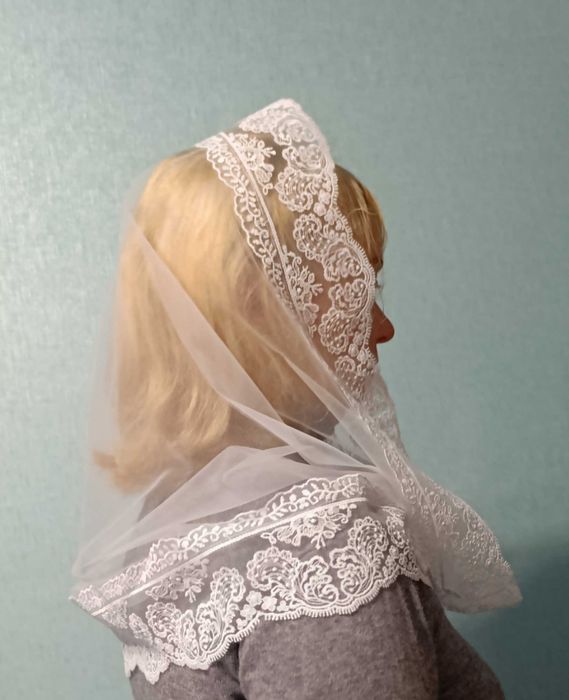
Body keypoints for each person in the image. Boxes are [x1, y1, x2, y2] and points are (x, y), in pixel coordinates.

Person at [69, 98, 522, 699]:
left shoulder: (176, 524)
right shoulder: (320, 541)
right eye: (357, 284)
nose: (383, 327)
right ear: (260, 308)